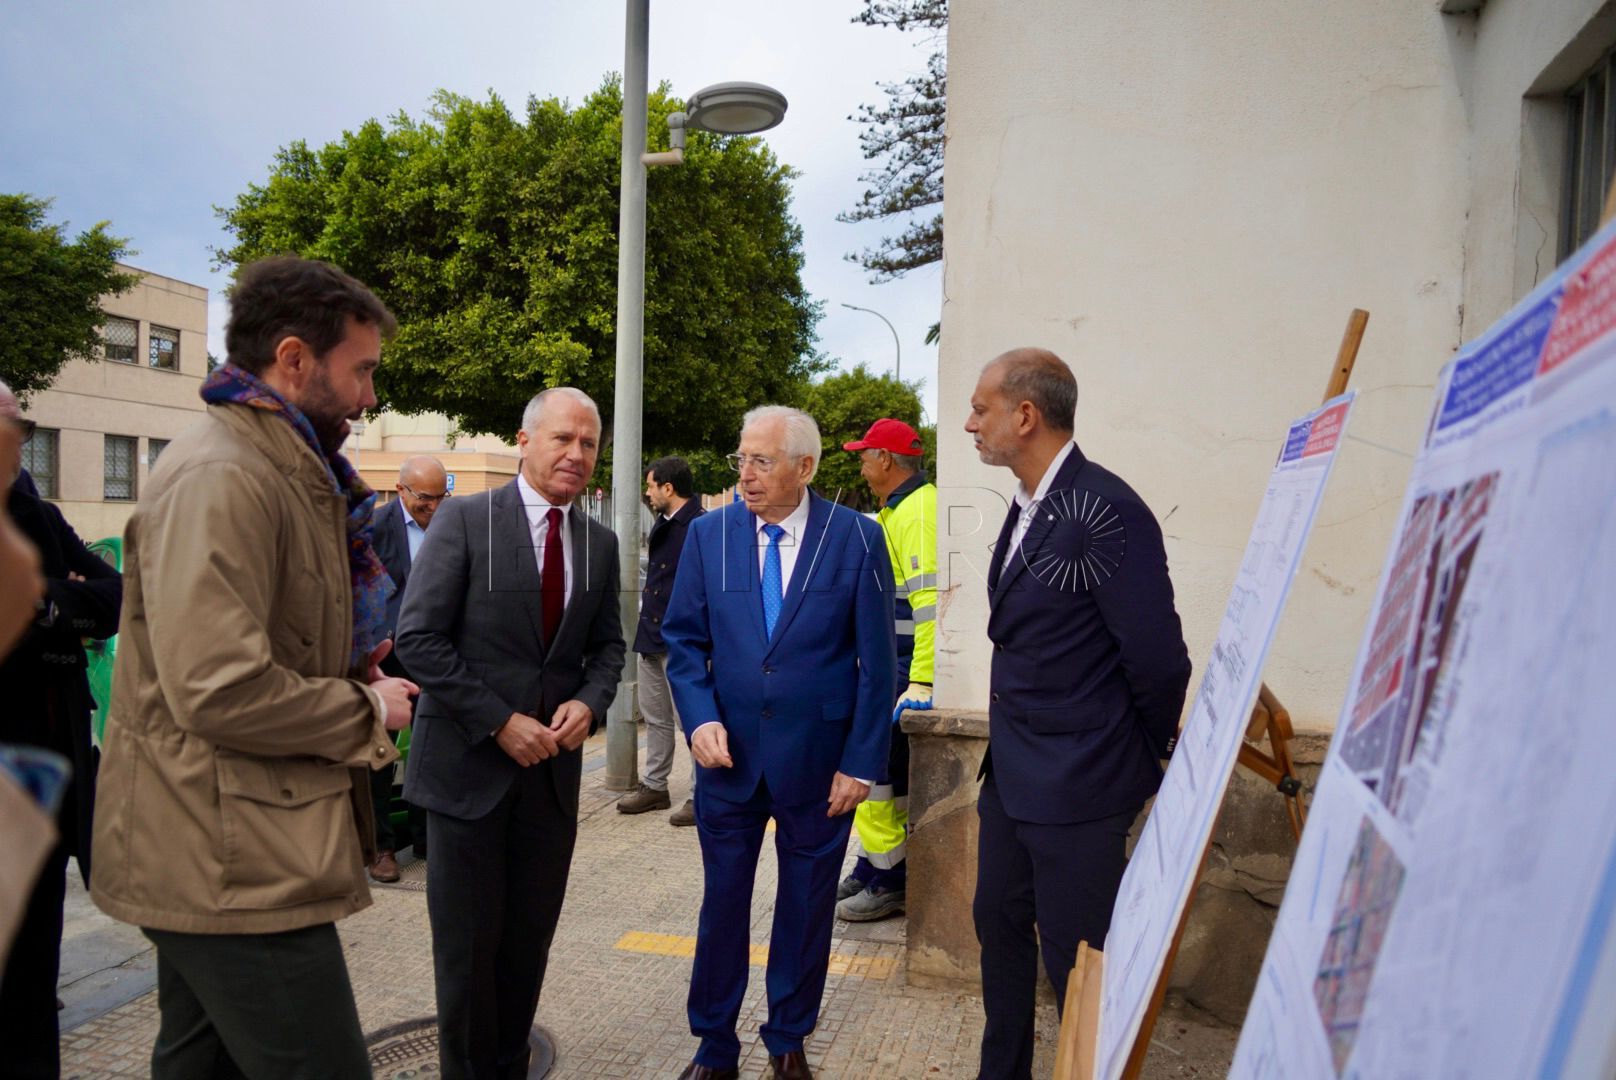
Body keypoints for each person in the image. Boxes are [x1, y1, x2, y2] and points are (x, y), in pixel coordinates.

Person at [89, 256, 418, 1079]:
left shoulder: (284, 466)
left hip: (230, 844)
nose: (370, 397)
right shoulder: (226, 474)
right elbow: (219, 686)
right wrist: (366, 712)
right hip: (228, 857)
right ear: (296, 359)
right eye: (363, 370)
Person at [964, 348, 1192, 1080]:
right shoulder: (1030, 505)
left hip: (1080, 785)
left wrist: (1139, 760)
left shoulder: (1107, 509)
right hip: (1013, 779)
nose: (970, 423)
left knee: (1078, 961)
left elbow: (1158, 661)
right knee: (997, 924)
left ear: (1025, 415)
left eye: (981, 408)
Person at [396, 386, 626, 1080]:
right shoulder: (464, 521)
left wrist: (590, 703)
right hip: (467, 777)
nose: (577, 454)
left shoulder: (600, 542)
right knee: (468, 955)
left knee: (526, 948)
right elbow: (419, 639)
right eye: (563, 438)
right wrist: (498, 720)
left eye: (588, 442)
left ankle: (510, 1066)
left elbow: (609, 649)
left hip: (549, 787)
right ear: (525, 441)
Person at [663, 405, 896, 1080]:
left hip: (820, 767)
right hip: (727, 761)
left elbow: (878, 664)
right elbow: (684, 641)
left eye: (761, 461)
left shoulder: (855, 538)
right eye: (741, 458)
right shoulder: (710, 536)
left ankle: (788, 1037)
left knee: (805, 908)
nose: (745, 474)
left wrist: (861, 761)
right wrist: (698, 717)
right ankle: (713, 1047)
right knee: (722, 906)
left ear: (805, 467)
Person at [0, 380, 122, 1078]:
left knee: (32, 979)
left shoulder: (38, 515)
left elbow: (116, 596)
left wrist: (46, 602)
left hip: (50, 772)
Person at [835, 418, 938, 922]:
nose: (860, 462)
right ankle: (877, 866)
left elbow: (930, 601)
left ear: (887, 460)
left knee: (877, 773)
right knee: (882, 777)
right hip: (890, 666)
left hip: (903, 670)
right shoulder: (897, 510)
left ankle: (890, 879)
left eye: (865, 453)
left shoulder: (917, 511)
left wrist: (921, 678)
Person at [365, 454, 448, 880]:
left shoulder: (451, 524)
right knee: (379, 755)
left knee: (430, 750)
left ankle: (427, 839)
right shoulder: (375, 528)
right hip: (387, 657)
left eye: (440, 496)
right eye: (424, 498)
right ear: (401, 490)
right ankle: (381, 848)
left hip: (434, 655)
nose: (433, 506)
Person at [616, 455, 705, 825]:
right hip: (652, 635)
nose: (648, 493)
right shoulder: (664, 522)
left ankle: (703, 797)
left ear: (669, 488)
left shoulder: (701, 526)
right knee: (656, 718)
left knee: (694, 720)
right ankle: (655, 787)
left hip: (683, 640)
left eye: (651, 486)